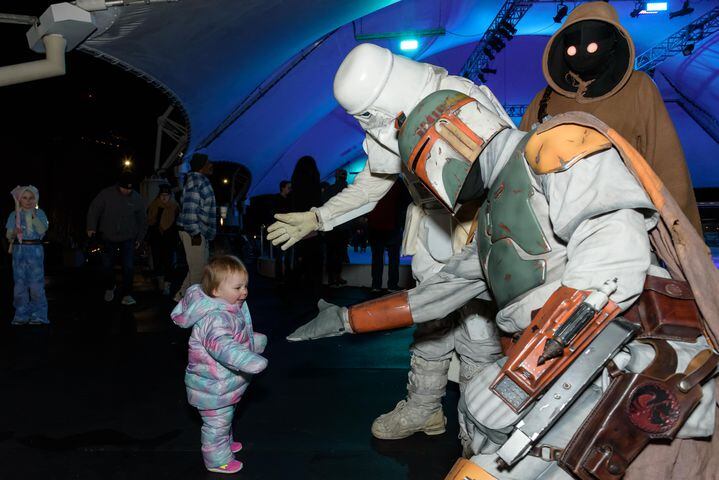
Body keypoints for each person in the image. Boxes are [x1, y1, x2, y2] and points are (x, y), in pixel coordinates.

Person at [288, 91, 719, 479]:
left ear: (453, 136)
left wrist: (521, 379)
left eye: (423, 163)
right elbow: (433, 297)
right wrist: (346, 319)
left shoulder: (555, 144)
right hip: (558, 365)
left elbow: (613, 264)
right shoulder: (492, 220)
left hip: (606, 356)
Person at [268, 43, 509, 440]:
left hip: (478, 233)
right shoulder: (388, 121)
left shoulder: (465, 99)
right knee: (430, 325)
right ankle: (424, 409)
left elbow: (507, 174)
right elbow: (370, 185)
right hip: (433, 233)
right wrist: (318, 217)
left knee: (479, 336)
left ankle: (478, 429)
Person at [520, 1, 702, 233]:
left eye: (593, 45)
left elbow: (667, 164)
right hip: (553, 233)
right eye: (573, 49)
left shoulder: (638, 89)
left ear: (612, 44)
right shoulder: (543, 99)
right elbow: (521, 165)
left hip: (625, 230)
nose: (582, 53)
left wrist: (683, 235)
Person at [171, 255, 267, 474]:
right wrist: (248, 359)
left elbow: (235, 336)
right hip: (211, 386)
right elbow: (222, 346)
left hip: (222, 383)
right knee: (217, 424)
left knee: (226, 417)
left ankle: (224, 443)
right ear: (216, 291)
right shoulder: (215, 317)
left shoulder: (230, 307)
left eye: (245, 286)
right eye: (238, 287)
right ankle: (217, 459)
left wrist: (254, 341)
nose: (244, 291)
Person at [87, 171, 147, 305]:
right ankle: (110, 287)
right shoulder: (106, 194)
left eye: (130, 188)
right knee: (107, 265)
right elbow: (94, 209)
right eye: (125, 188)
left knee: (129, 267)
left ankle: (127, 293)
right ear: (119, 185)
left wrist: (140, 238)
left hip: (129, 237)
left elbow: (142, 220)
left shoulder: (136, 198)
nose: (127, 191)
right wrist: (91, 228)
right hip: (108, 236)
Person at [175, 153, 217, 301]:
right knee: (198, 271)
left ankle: (181, 297)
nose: (211, 164)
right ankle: (192, 307)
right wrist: (195, 234)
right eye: (208, 162)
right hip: (193, 232)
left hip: (197, 231)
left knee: (197, 268)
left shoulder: (199, 180)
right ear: (201, 166)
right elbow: (190, 210)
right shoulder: (196, 181)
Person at [6, 185, 49, 325]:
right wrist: (14, 229)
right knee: (19, 285)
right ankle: (21, 314)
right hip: (19, 252)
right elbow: (9, 235)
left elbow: (43, 230)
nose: (28, 200)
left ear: (35, 199)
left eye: (31, 198)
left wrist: (33, 217)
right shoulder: (14, 215)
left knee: (36, 285)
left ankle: (39, 314)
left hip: (35, 250)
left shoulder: (40, 213)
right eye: (24, 198)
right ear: (19, 199)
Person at [289, 156, 323, 298]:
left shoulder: (295, 188)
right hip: (313, 232)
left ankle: (294, 293)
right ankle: (314, 296)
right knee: (315, 267)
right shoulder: (315, 187)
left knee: (299, 262)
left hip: (298, 231)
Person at [366, 180, 407, 292]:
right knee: (393, 259)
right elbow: (406, 201)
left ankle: (376, 285)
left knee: (377, 258)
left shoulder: (373, 181)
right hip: (392, 225)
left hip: (375, 226)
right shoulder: (398, 182)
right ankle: (392, 285)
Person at [147, 183, 179, 295]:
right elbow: (149, 222)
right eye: (162, 195)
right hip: (156, 239)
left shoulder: (175, 207)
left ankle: (167, 285)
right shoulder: (154, 205)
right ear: (159, 196)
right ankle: (161, 283)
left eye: (166, 195)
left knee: (169, 263)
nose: (164, 197)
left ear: (170, 196)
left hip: (169, 240)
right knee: (157, 262)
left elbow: (178, 225)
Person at [323, 169, 349, 287]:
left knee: (331, 253)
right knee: (340, 253)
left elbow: (323, 205)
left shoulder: (329, 189)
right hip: (343, 227)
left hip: (331, 226)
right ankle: (337, 277)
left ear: (336, 177)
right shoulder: (348, 190)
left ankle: (331, 278)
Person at [272, 180, 292, 283]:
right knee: (280, 254)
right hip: (280, 230)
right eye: (288, 187)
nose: (290, 189)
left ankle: (285, 276)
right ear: (283, 188)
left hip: (287, 229)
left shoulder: (289, 199)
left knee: (287, 254)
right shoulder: (276, 199)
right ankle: (280, 276)